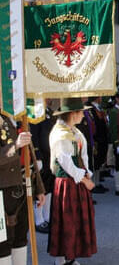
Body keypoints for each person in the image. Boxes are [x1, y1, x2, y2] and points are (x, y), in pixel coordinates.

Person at [48, 98, 97, 265]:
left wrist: (87, 172)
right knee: (65, 221)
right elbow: (66, 162)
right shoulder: (60, 134)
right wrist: (84, 180)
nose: (83, 115)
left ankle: (71, 256)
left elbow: (83, 156)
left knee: (75, 221)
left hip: (77, 181)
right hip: (66, 183)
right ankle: (61, 260)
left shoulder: (75, 131)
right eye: (80, 112)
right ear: (72, 114)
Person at [0, 113, 45, 265]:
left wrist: (39, 188)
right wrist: (15, 146)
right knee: (3, 243)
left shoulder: (21, 119)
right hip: (4, 191)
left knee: (21, 237)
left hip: (24, 186)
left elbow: (30, 156)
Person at [30, 99, 56, 234]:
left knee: (49, 186)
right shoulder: (35, 113)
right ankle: (38, 220)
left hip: (50, 155)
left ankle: (47, 217)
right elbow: (33, 135)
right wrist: (37, 156)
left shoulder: (48, 113)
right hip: (41, 155)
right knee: (40, 188)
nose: (50, 99)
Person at [87, 97, 109, 194]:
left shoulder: (98, 108)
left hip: (102, 139)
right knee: (94, 163)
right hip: (97, 139)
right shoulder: (91, 109)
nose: (101, 98)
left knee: (99, 162)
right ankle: (93, 183)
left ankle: (97, 182)